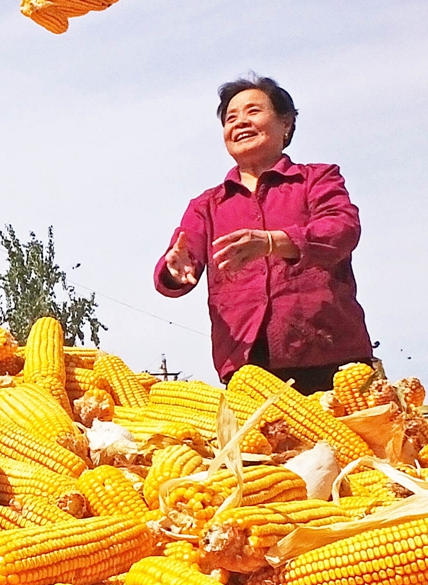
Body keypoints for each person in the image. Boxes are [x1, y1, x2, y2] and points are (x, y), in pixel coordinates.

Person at [153, 75, 372, 394]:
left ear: (286, 124)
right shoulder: (206, 205)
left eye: (252, 111)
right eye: (231, 117)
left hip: (332, 358)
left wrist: (274, 242)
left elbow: (342, 228)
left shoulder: (316, 179)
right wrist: (175, 268)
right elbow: (177, 264)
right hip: (247, 367)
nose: (240, 122)